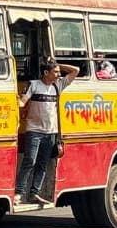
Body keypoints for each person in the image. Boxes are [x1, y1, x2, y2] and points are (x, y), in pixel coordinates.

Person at [17, 61, 79, 206]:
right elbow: (23, 101)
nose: (58, 75)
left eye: (59, 72)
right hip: (34, 131)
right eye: (55, 72)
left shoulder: (58, 85)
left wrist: (57, 65)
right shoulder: (34, 85)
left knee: (42, 164)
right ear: (46, 73)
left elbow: (75, 70)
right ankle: (19, 193)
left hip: (51, 132)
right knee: (29, 161)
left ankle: (34, 193)